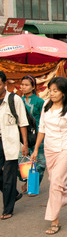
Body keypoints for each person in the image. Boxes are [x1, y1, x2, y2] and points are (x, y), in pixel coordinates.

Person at [31, 77, 67, 234]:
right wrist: (35, 150)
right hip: (50, 150)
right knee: (57, 182)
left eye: (55, 91)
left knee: (55, 183)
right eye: (50, 90)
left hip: (65, 150)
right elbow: (42, 128)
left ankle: (54, 220)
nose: (52, 94)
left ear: (63, 93)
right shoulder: (46, 106)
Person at [0, 71, 29, 220]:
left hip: (11, 142)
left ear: (5, 84)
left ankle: (8, 209)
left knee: (9, 177)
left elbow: (23, 123)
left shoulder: (14, 99)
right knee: (3, 177)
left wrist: (25, 144)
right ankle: (15, 194)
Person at [19, 75, 45, 197]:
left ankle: (34, 184)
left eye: (26, 85)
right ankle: (27, 180)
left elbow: (44, 119)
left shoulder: (40, 102)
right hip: (22, 135)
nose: (23, 87)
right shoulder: (18, 100)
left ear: (33, 87)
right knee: (21, 161)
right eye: (22, 84)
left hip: (37, 135)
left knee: (40, 163)